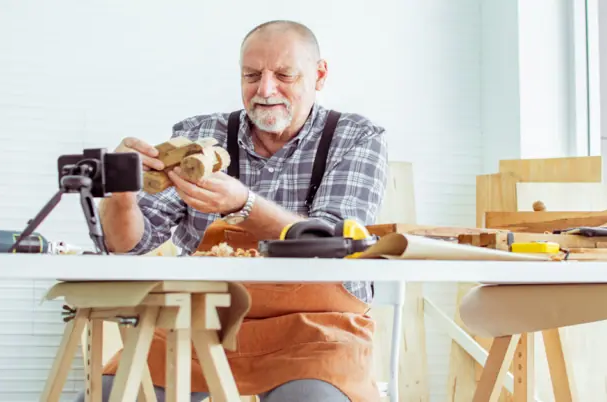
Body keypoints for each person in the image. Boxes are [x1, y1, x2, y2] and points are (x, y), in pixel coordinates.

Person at [83, 19, 388, 402]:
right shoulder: (198, 135)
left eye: (284, 75)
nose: (265, 89)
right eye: (252, 75)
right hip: (197, 324)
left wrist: (244, 205)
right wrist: (122, 191)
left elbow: (333, 243)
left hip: (315, 334)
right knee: (109, 397)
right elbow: (126, 246)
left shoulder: (356, 137)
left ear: (319, 74)